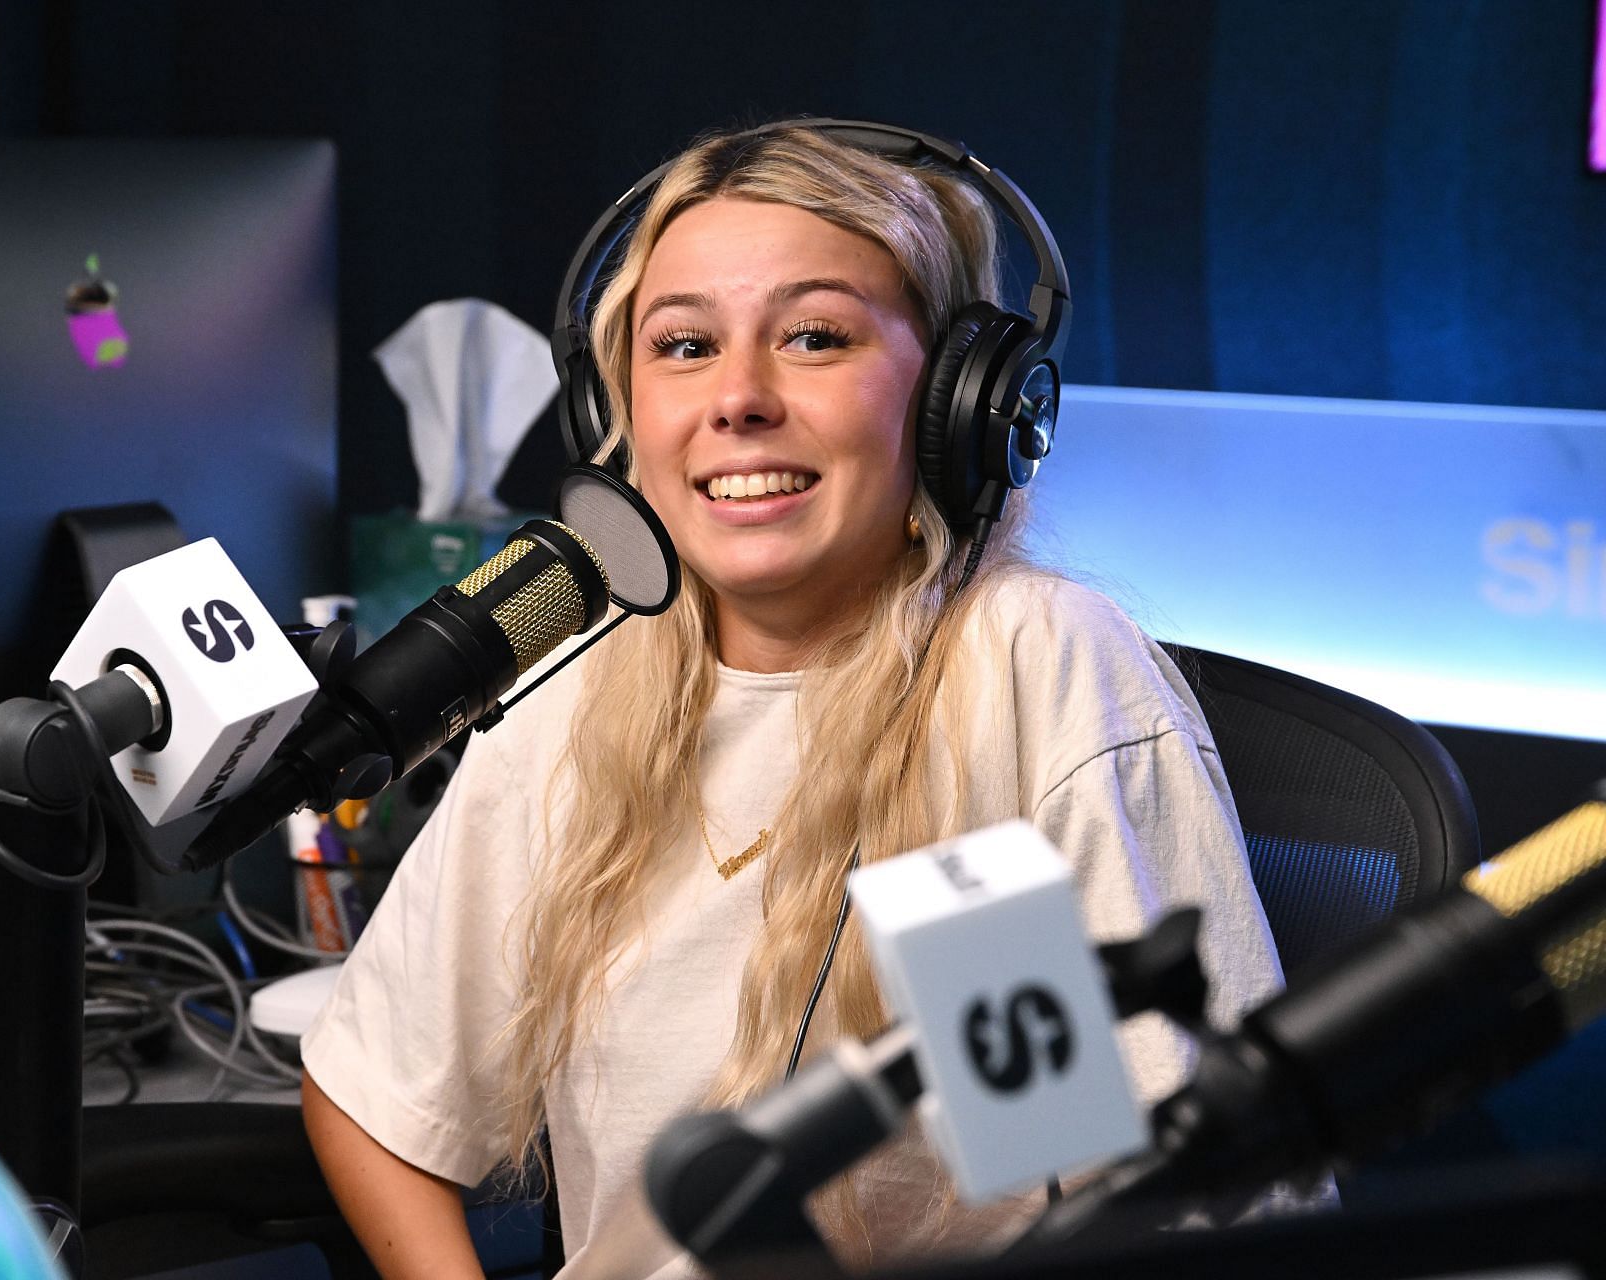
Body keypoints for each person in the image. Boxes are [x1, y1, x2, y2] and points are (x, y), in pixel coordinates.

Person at [299, 121, 1285, 1278]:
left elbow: (1188, 1196)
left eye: (816, 337)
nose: (739, 398)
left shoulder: (1026, 671)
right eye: (682, 346)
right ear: (618, 411)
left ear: (961, 399)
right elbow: (376, 1091)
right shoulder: (587, 682)